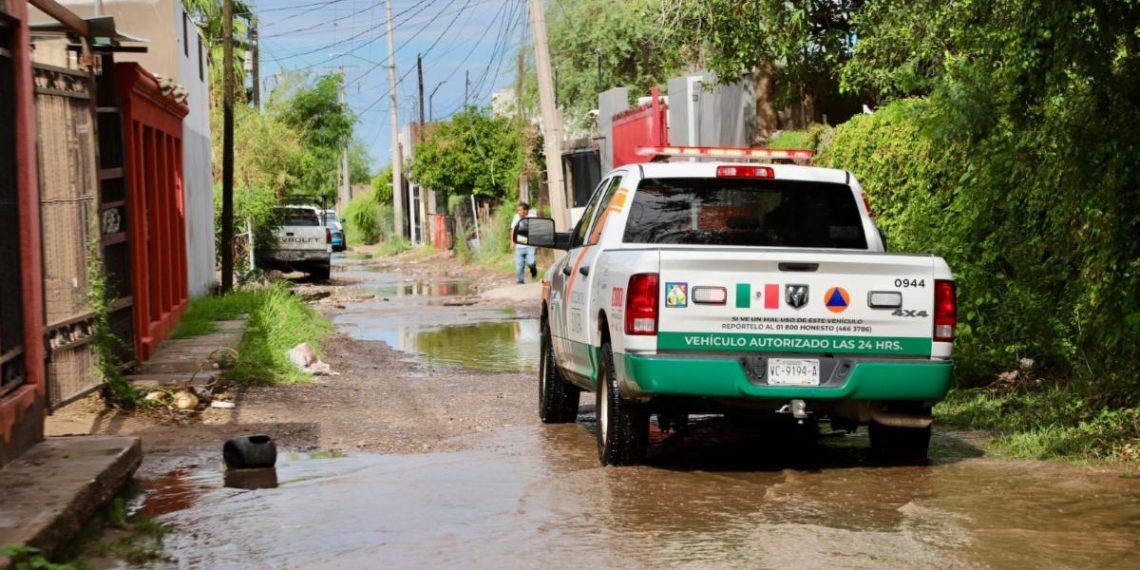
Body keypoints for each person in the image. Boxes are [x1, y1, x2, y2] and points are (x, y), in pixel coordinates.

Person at [510, 202, 538, 284]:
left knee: (531, 262)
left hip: (530, 245)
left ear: (526, 210)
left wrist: (536, 242)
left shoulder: (532, 217)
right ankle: (520, 281)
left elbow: (536, 230)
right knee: (519, 266)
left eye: (520, 210)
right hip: (519, 246)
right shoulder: (516, 217)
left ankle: (533, 270)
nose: (518, 212)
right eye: (518, 210)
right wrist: (512, 242)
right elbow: (512, 229)